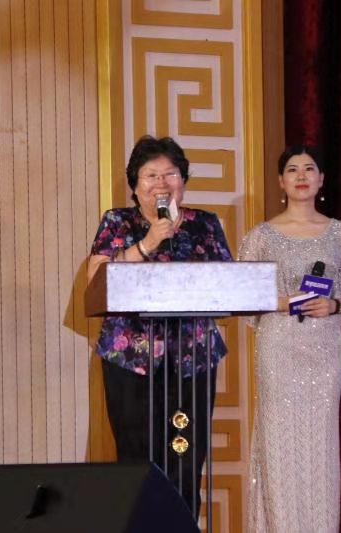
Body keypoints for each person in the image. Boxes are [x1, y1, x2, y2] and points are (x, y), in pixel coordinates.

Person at [87, 135, 232, 518]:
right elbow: (97, 282)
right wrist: (148, 243)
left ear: (183, 181)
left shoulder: (204, 224)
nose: (161, 183)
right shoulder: (118, 221)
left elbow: (229, 283)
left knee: (186, 458)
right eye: (151, 175)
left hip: (192, 358)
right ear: (135, 186)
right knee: (136, 459)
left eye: (170, 174)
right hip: (130, 359)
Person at [238, 145, 341, 532]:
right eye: (292, 169)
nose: (301, 175)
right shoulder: (260, 236)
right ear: (281, 181)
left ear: (321, 179)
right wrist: (285, 301)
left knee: (319, 445)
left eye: (309, 168)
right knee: (278, 443)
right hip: (278, 347)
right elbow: (241, 296)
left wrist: (333, 304)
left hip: (324, 350)